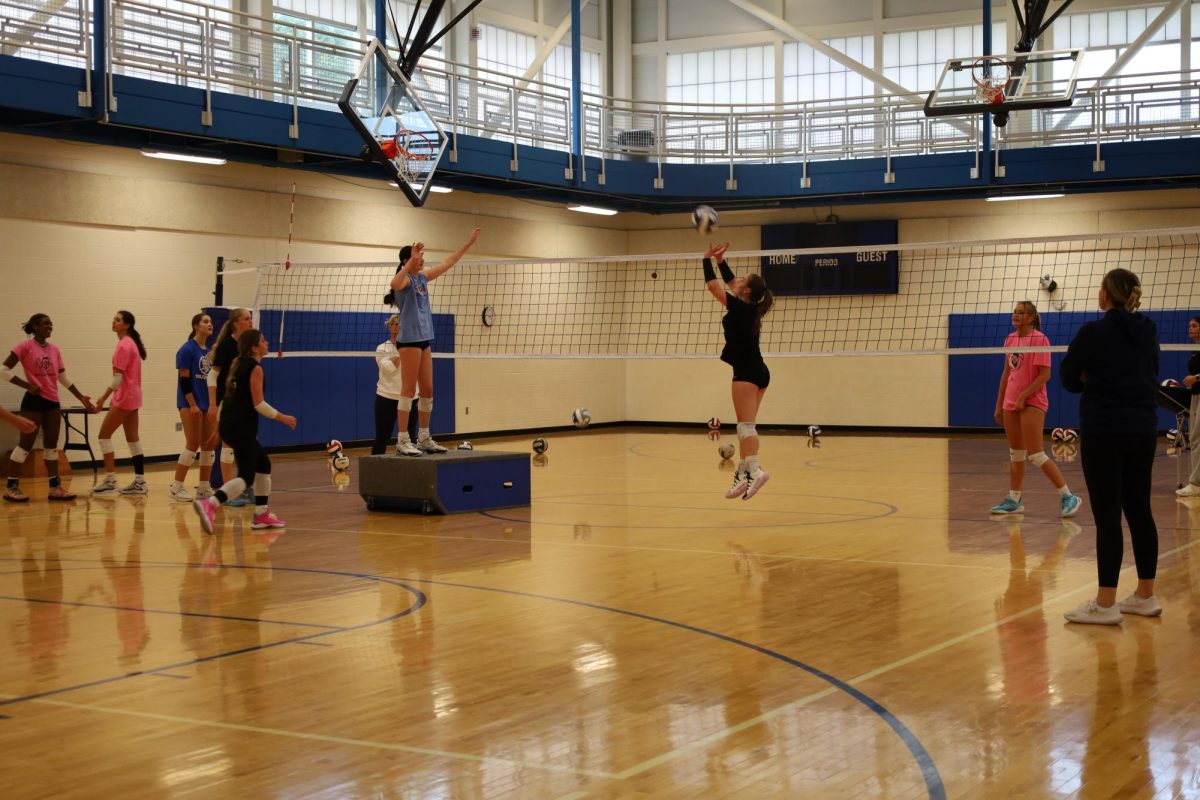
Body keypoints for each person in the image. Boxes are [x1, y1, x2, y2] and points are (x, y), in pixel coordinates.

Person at [1060, 268, 1161, 624]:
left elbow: (1069, 378)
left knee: (1108, 517)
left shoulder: (1093, 332)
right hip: (1143, 429)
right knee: (1139, 510)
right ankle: (1145, 596)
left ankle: (1105, 604)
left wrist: (1093, 375)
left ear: (1107, 295)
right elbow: (1150, 371)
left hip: (1105, 430)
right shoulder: (1148, 330)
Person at [384, 228, 480, 456]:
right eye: (418, 258)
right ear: (407, 260)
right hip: (409, 341)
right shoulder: (405, 280)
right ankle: (403, 439)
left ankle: (424, 437)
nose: (422, 261)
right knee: (408, 391)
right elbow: (395, 282)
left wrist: (469, 242)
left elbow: (448, 262)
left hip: (425, 338)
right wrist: (409, 263)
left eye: (422, 258)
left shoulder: (422, 277)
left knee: (428, 390)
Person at [193, 329, 297, 534]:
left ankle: (261, 514)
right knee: (247, 476)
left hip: (230, 423)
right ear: (254, 347)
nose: (267, 343)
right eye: (263, 340)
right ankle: (211, 503)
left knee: (263, 465)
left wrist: (220, 428)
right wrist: (283, 417)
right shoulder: (255, 368)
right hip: (241, 426)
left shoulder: (237, 364)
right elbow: (258, 404)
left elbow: (229, 399)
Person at [990, 300, 1082, 517]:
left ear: (1031, 318)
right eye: (1015, 312)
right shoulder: (1010, 338)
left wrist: (1023, 396)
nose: (1016, 315)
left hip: (1033, 401)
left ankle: (1068, 496)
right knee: (1016, 454)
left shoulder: (1040, 339)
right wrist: (999, 405)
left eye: (1021, 313)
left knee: (1036, 454)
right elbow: (1007, 374)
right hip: (1010, 402)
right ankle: (1014, 499)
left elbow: (1045, 375)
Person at [703, 242, 774, 500]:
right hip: (760, 371)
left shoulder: (740, 307)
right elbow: (731, 282)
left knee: (745, 427)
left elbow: (713, 287)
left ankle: (755, 470)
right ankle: (744, 474)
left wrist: (706, 259)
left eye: (743, 280)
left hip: (745, 372)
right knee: (747, 426)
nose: (738, 281)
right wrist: (721, 261)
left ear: (746, 290)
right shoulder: (750, 305)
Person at [2, 314, 94, 502]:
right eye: (46, 323)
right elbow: (3, 370)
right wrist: (27, 385)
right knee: (26, 444)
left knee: (51, 444)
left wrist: (81, 396)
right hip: (33, 401)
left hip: (53, 402)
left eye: (52, 323)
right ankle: (11, 487)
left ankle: (55, 488)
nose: (50, 326)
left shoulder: (55, 349)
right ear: (35, 326)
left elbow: (63, 378)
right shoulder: (25, 346)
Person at [92, 311, 148, 496]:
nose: (113, 322)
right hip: (134, 397)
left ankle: (110, 480)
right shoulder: (131, 343)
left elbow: (117, 377)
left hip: (124, 397)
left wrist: (102, 397)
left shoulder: (124, 345)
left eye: (117, 320)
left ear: (127, 325)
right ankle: (140, 481)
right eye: (114, 319)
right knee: (133, 439)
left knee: (103, 436)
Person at [207, 308, 254, 506]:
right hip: (226, 402)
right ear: (236, 323)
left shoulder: (248, 346)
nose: (250, 321)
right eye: (246, 318)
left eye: (251, 318)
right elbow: (213, 375)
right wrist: (211, 404)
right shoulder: (227, 346)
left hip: (243, 402)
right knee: (228, 446)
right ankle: (226, 493)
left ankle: (244, 488)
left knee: (245, 446)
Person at [170, 313, 216, 502]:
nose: (210, 324)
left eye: (211, 321)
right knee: (193, 444)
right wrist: (192, 404)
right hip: (190, 404)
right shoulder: (187, 349)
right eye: (206, 321)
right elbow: (184, 379)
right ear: (196, 326)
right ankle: (176, 487)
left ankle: (204, 488)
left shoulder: (209, 351)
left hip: (205, 403)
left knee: (208, 445)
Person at [371, 314, 405, 455]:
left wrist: (395, 358)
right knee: (382, 437)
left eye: (400, 324)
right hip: (386, 397)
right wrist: (402, 354)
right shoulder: (382, 348)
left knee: (408, 440)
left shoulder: (414, 349)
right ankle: (374, 470)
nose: (398, 327)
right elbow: (388, 369)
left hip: (407, 398)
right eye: (395, 324)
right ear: (390, 327)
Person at [1174, 316, 1200, 497]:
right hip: (1195, 396)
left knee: (1197, 439)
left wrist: (1196, 378)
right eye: (1189, 325)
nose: (1190, 328)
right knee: (1196, 439)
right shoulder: (1194, 350)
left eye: (1194, 326)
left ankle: (1196, 484)